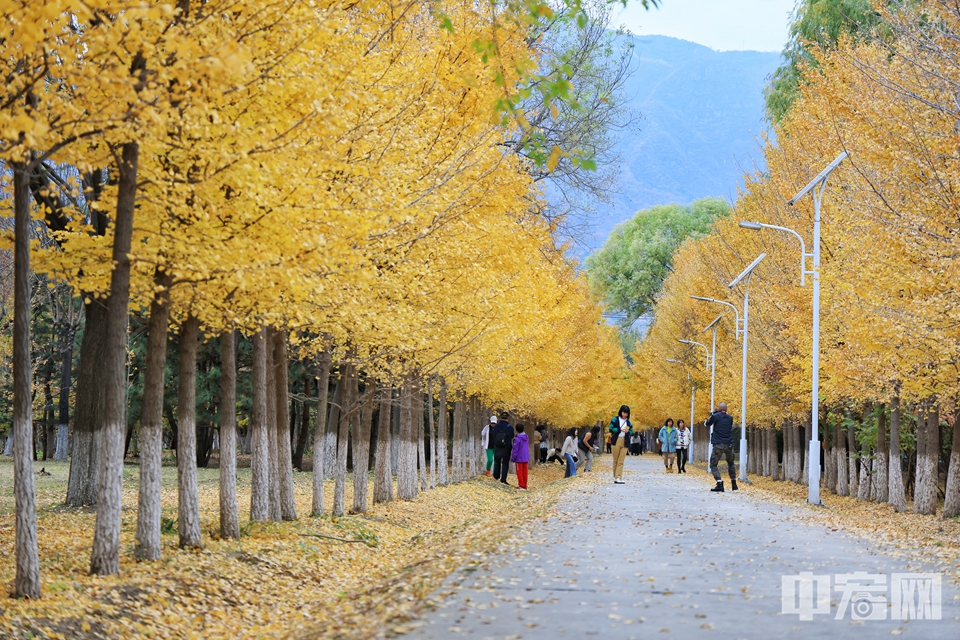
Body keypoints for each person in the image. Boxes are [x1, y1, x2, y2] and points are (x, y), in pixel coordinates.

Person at [705, 402, 737, 492]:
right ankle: (734, 483)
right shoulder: (730, 418)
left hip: (718, 444)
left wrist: (713, 414)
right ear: (726, 409)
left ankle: (719, 483)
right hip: (729, 444)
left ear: (718, 409)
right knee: (731, 463)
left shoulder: (715, 416)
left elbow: (707, 423)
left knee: (713, 464)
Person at [608, 405, 633, 484]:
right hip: (616, 440)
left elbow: (632, 431)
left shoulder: (628, 422)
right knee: (616, 460)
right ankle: (616, 476)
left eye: (626, 413)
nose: (625, 414)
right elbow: (611, 428)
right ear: (621, 412)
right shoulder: (615, 419)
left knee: (621, 460)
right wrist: (619, 429)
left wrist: (628, 432)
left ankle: (618, 477)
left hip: (625, 441)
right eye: (624, 412)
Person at [491, 411, 515, 485]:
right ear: (507, 418)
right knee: (505, 463)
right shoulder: (510, 427)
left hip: (497, 446)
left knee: (497, 461)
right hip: (506, 447)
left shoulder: (496, 426)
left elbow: (493, 434)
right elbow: (512, 436)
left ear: (500, 418)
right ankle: (503, 479)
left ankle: (496, 476)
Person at [511, 424, 530, 490]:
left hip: (519, 458)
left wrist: (512, 458)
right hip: (526, 457)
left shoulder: (517, 439)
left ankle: (521, 485)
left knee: (519, 472)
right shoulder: (526, 437)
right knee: (525, 472)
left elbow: (515, 449)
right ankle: (524, 485)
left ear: (516, 430)